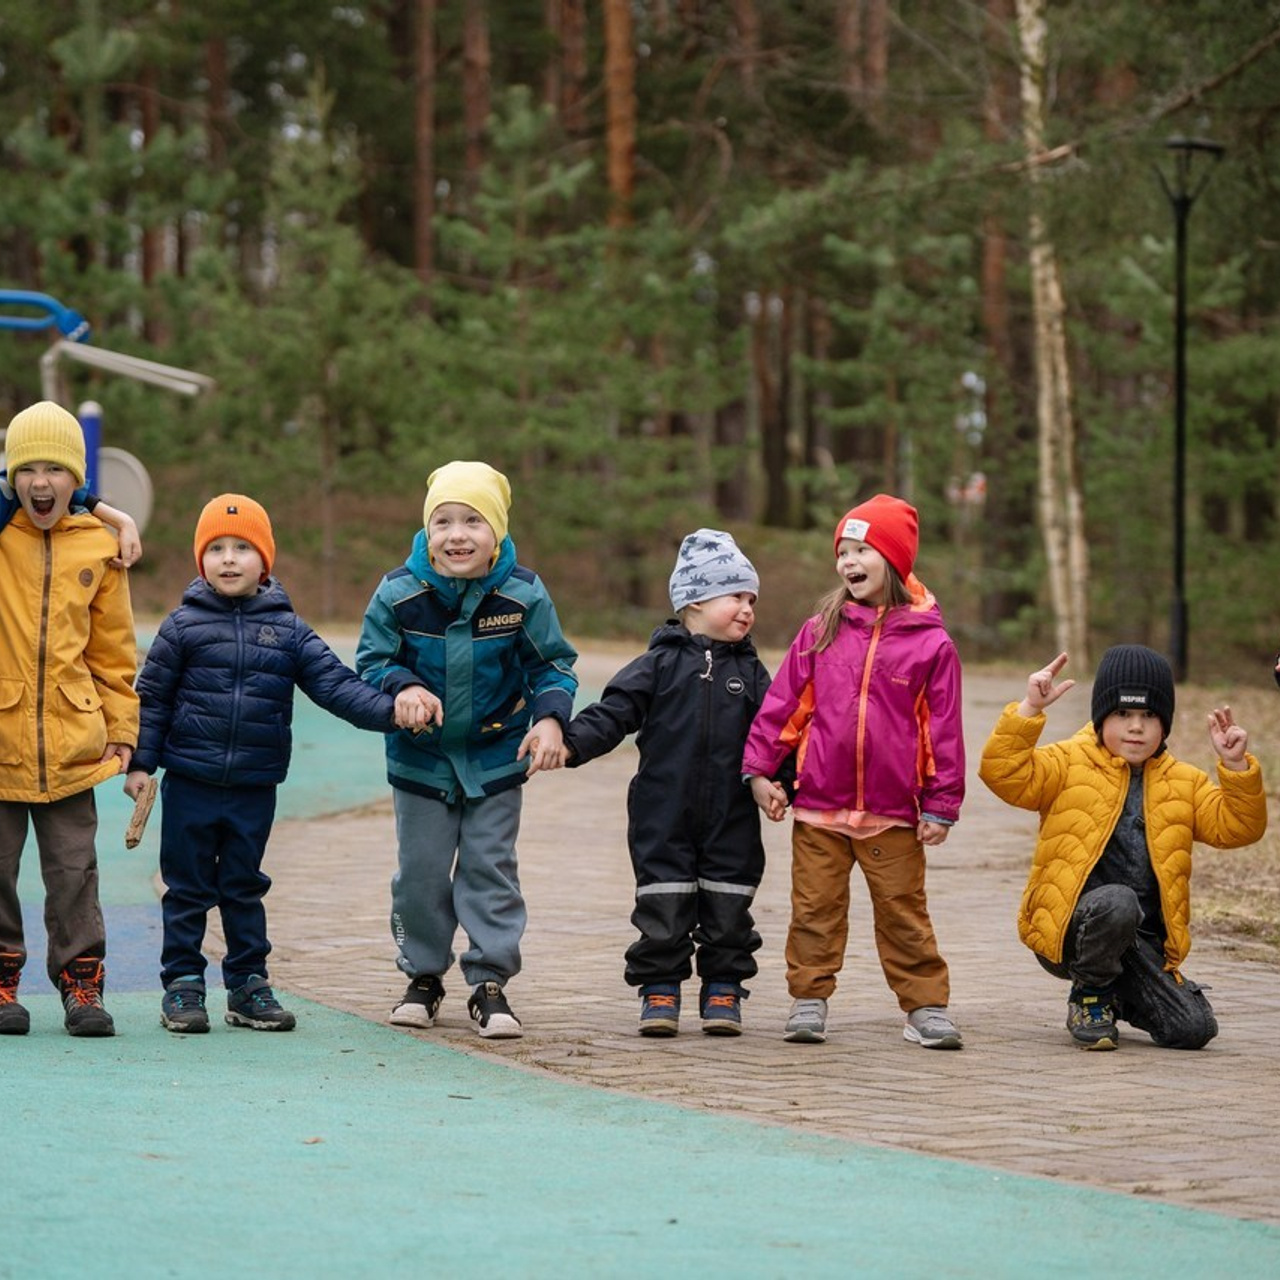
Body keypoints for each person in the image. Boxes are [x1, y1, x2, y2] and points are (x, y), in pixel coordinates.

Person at [124, 494, 400, 1035]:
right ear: (200, 560)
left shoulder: (289, 631)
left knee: (244, 886)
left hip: (254, 785)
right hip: (190, 782)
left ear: (264, 560)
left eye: (243, 548)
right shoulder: (181, 627)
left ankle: (248, 985)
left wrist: (394, 712)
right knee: (187, 887)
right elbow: (151, 698)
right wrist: (141, 764)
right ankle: (183, 984)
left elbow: (336, 686)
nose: (229, 559)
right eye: (217, 548)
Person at [357, 460, 577, 1040]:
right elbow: (374, 660)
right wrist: (402, 686)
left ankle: (489, 982)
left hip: (497, 756)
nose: (457, 534)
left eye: (473, 521)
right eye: (443, 521)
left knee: (489, 868)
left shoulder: (522, 593)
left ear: (497, 532)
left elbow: (552, 664)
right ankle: (423, 976)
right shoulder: (399, 592)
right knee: (422, 873)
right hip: (421, 758)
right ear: (427, 531)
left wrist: (551, 721)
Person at [742, 493, 965, 1049]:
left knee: (903, 913)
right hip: (820, 805)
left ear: (893, 559)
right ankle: (809, 999)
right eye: (843, 551)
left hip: (893, 813)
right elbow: (784, 706)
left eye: (862, 549)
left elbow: (943, 729)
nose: (849, 561)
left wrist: (941, 803)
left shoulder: (931, 643)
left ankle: (925, 1007)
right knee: (815, 909)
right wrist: (761, 772)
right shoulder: (822, 628)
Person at [979, 646, 1266, 1051]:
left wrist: (1236, 767)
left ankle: (1117, 994)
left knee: (1193, 1029)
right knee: (1118, 901)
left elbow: (1238, 828)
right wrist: (1029, 709)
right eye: (1123, 715)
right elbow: (1002, 773)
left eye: (1149, 716)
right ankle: (1089, 996)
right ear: (1101, 718)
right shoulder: (1067, 763)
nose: (1136, 728)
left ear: (1164, 724)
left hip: (1140, 942)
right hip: (1070, 931)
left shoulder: (1184, 782)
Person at [563, 529, 781, 1037]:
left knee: (729, 903)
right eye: (736, 597)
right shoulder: (657, 665)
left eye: (752, 599)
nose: (747, 608)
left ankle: (724, 986)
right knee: (663, 899)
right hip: (662, 810)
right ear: (695, 601)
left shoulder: (752, 673)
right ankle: (659, 986)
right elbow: (614, 712)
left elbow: (776, 732)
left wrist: (774, 778)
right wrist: (572, 744)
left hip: (731, 812)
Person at [0, 401, 139, 1038]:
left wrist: (123, 732)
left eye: (55, 469)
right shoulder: (1, 533)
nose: (40, 482)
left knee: (74, 869)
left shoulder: (100, 546)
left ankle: (81, 983)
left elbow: (112, 653)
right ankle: (1, 982)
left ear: (76, 481)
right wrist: (112, 504)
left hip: (72, 741)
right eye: (26, 469)